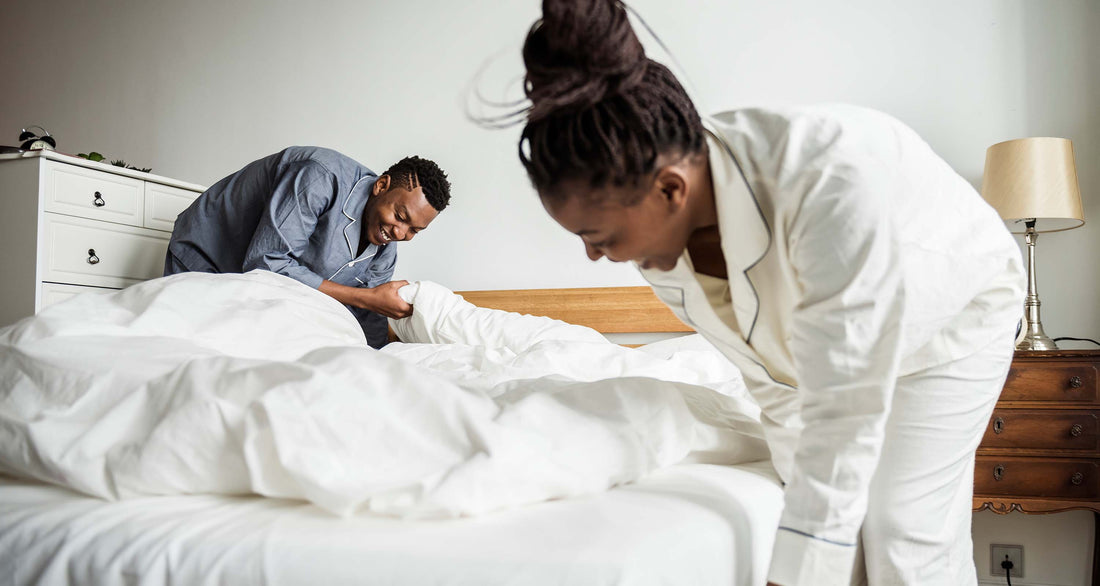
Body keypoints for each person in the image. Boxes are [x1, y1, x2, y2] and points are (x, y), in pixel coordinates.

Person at [507, 1, 1025, 585]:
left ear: (670, 189)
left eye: (597, 237)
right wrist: (803, 510)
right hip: (848, 352)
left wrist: (793, 574)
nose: (595, 256)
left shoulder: (826, 180)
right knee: (834, 530)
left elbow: (844, 402)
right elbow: (776, 380)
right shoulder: (660, 245)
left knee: (904, 531)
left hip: (956, 320)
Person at [164, 146, 451, 348]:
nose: (401, 233)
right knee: (183, 347)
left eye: (415, 230)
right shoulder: (319, 177)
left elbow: (370, 314)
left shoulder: (385, 247)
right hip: (208, 254)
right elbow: (266, 263)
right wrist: (363, 298)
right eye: (400, 217)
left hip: (253, 288)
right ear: (381, 185)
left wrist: (376, 358)